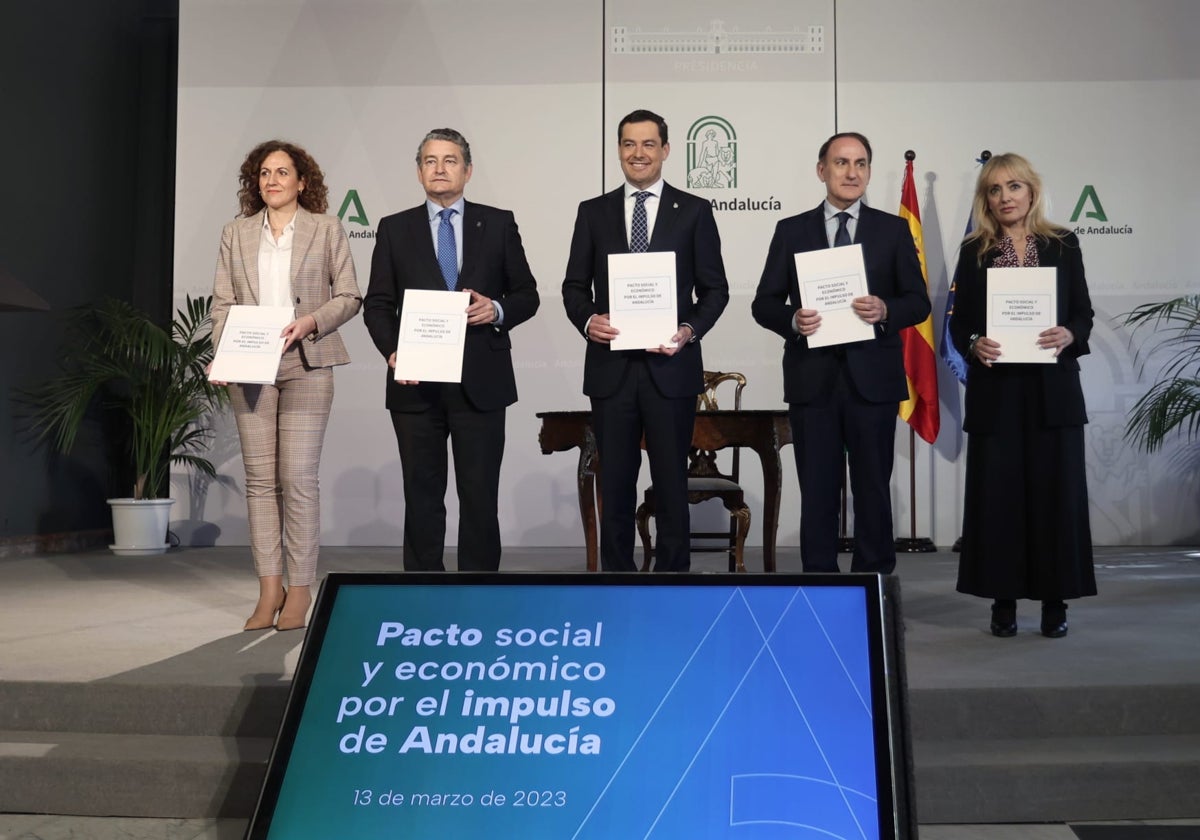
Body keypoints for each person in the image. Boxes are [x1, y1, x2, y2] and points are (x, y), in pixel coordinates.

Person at [751, 132, 930, 574]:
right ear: (822, 170)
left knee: (872, 487)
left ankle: (874, 584)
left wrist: (886, 308)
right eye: (841, 163)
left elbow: (919, 301)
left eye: (861, 163)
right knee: (817, 490)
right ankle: (819, 584)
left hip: (873, 382)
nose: (852, 172)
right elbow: (764, 303)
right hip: (813, 381)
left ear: (869, 171)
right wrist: (793, 320)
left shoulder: (894, 229)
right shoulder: (791, 230)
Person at [363, 128, 539, 572]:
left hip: (481, 381)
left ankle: (479, 590)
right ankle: (423, 589)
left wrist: (496, 309)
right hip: (415, 384)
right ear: (419, 170)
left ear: (468, 169)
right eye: (429, 160)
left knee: (479, 495)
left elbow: (527, 293)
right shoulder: (393, 228)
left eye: (449, 160)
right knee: (421, 496)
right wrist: (392, 351)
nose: (439, 169)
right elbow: (378, 305)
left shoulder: (498, 222)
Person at [562, 109, 730, 572]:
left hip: (670, 369)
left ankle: (673, 578)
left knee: (671, 481)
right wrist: (587, 320)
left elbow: (715, 290)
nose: (638, 153)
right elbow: (573, 287)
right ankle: (617, 579)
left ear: (666, 150)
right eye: (629, 144)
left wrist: (688, 330)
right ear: (618, 150)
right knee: (615, 482)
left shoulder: (694, 211)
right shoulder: (592, 212)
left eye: (648, 144)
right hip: (610, 370)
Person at [211, 139, 362, 631]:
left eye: (282, 172)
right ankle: (268, 587)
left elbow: (349, 296)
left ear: (302, 181)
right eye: (264, 174)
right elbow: (222, 304)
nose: (271, 180)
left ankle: (300, 589)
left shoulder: (327, 228)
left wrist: (311, 321)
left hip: (307, 363)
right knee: (259, 483)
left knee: (296, 479)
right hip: (251, 367)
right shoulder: (236, 233)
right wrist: (225, 352)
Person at [949, 152, 1096, 638]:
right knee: (1000, 500)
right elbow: (961, 322)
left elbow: (1082, 312)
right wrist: (974, 344)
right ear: (985, 200)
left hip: (1052, 393)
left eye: (1014, 187)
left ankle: (1056, 604)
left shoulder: (1063, 243)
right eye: (994, 189)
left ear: (1031, 191)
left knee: (1057, 499)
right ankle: (1003, 602)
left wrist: (1069, 334)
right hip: (997, 393)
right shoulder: (974, 249)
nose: (1005, 197)